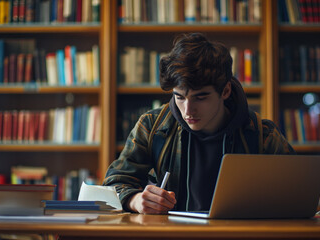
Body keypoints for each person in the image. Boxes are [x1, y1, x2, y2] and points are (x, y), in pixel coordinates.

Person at [103, 33, 295, 214]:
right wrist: (135, 200)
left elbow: (297, 191)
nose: (187, 110)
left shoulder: (263, 134)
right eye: (179, 97)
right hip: (172, 235)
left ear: (226, 91)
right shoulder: (152, 125)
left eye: (200, 98)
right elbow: (113, 183)